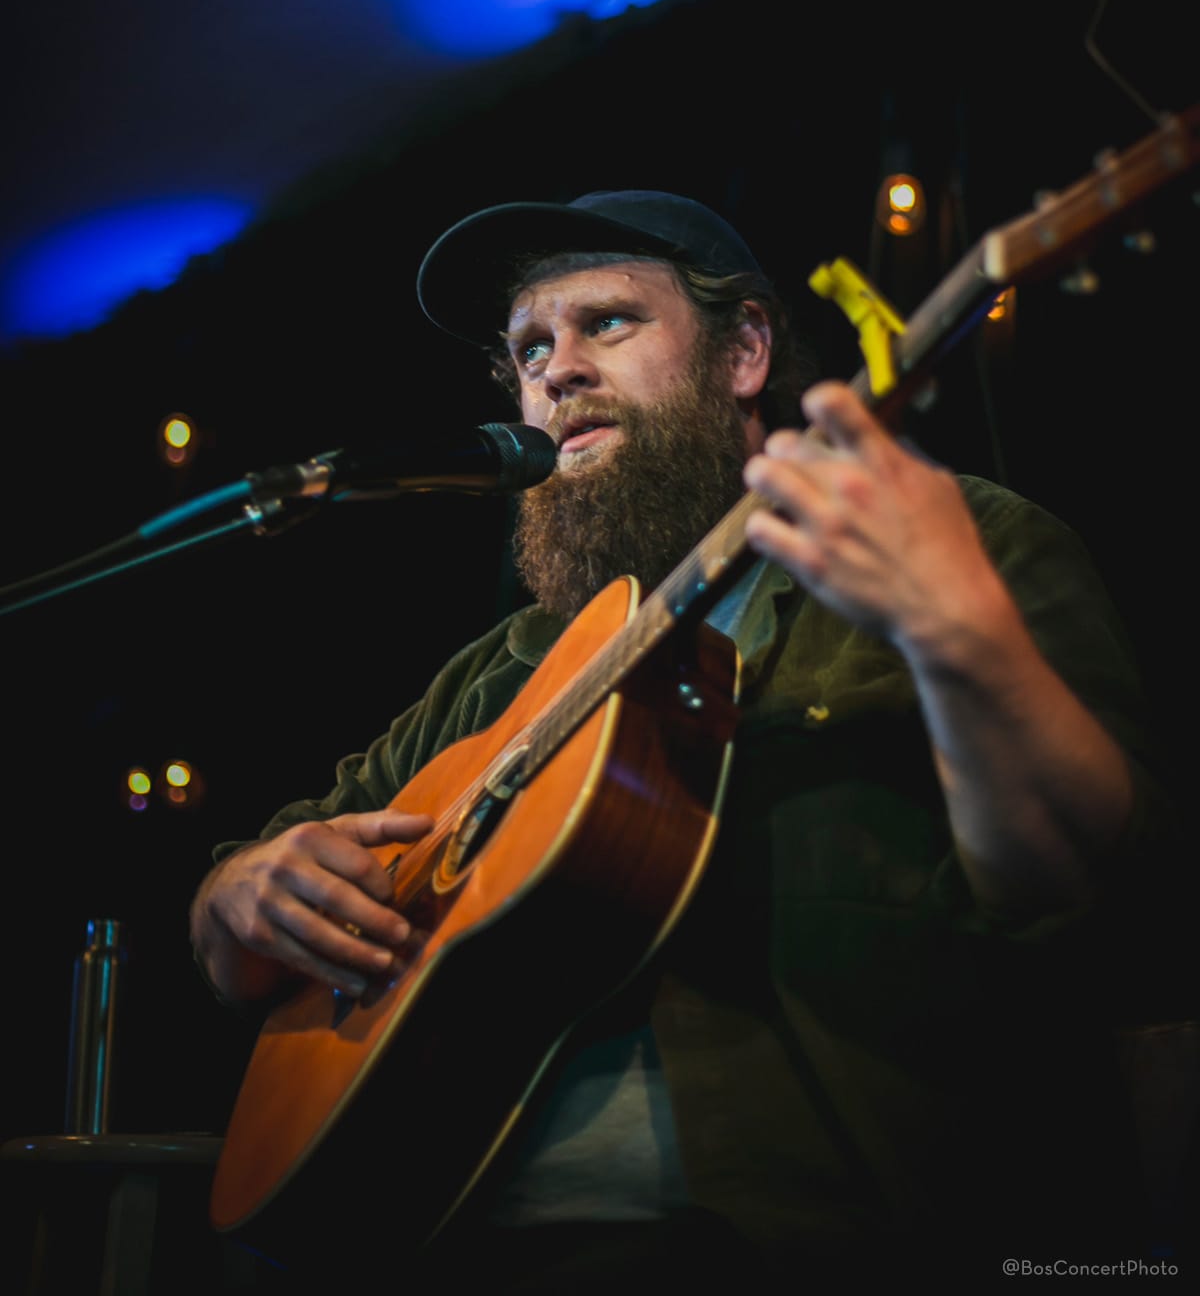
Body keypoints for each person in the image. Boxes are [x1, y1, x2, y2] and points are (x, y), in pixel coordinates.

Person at [191, 190, 1176, 1287]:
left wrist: (961, 642)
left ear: (746, 350)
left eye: (606, 322)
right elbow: (253, 917)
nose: (555, 370)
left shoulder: (951, 541)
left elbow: (1110, 899)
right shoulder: (506, 667)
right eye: (529, 347)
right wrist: (239, 889)